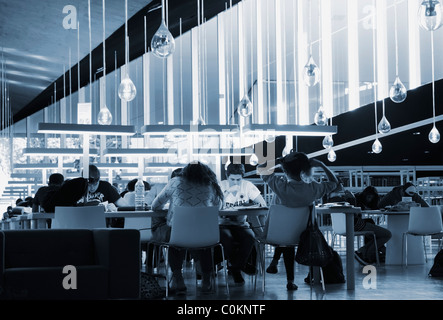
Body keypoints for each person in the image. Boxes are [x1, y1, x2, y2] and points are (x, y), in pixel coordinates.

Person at [258, 151, 339, 291]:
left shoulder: (280, 186)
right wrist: (322, 165)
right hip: (303, 237)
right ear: (306, 170)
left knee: (285, 240)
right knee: (289, 239)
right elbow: (334, 183)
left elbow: (261, 169)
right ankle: (289, 280)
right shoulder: (313, 188)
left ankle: (277, 263)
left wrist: (276, 160)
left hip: (276, 235)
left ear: (284, 169)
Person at [151, 162, 223, 295]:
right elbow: (218, 207)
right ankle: (206, 280)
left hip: (178, 234)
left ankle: (178, 279)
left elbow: (155, 206)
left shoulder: (175, 181)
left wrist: (172, 206)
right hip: (205, 235)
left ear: (185, 172)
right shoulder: (210, 185)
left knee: (175, 238)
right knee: (204, 242)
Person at [218, 163, 267, 284]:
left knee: (250, 238)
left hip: (241, 224)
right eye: (232, 179)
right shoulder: (220, 186)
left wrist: (250, 206)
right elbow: (215, 207)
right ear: (227, 176)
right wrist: (228, 192)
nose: (235, 182)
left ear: (242, 177)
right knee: (227, 239)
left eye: (238, 179)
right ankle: (239, 267)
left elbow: (262, 204)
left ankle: (235, 267)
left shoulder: (247, 186)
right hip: (222, 224)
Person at [328, 185, 392, 265]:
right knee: (387, 234)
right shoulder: (350, 198)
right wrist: (352, 199)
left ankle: (366, 253)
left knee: (370, 223)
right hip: (355, 225)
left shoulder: (332, 200)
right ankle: (364, 252)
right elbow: (354, 213)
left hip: (342, 226)